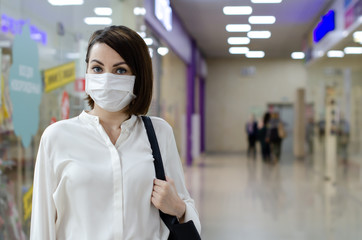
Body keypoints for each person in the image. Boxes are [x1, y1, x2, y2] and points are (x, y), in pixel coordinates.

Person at [30, 25, 201, 240]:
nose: (107, 78)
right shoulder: (56, 137)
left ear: (138, 76)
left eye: (120, 70)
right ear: (87, 71)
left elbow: (186, 212)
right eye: (97, 68)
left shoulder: (159, 133)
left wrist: (178, 207)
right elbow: (42, 225)